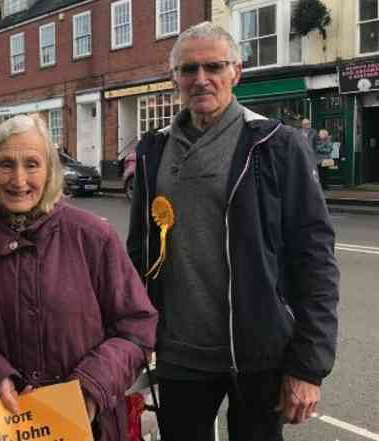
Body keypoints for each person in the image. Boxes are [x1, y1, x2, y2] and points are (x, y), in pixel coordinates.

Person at [126, 22, 340, 441]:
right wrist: (132, 338)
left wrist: (308, 365)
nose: (201, 79)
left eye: (214, 66)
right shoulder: (153, 148)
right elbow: (139, 253)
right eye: (188, 69)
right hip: (178, 355)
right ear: (175, 78)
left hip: (259, 353)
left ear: (236, 73)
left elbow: (314, 259)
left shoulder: (276, 145)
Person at [0, 114, 157, 441]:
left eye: (32, 164)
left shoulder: (93, 236)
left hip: (86, 426)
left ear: (50, 171)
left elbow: (136, 327)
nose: (19, 179)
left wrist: (91, 388)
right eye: (6, 164)